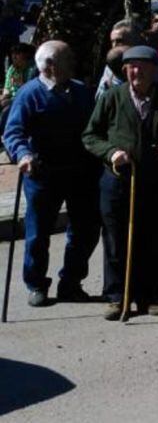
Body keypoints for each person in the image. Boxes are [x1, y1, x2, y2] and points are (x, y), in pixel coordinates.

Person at [82, 46, 158, 320]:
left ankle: (151, 297)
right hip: (118, 182)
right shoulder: (112, 98)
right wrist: (111, 152)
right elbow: (90, 135)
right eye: (131, 67)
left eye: (141, 66)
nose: (135, 72)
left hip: (155, 182)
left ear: (154, 70)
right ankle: (118, 297)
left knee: (153, 240)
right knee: (116, 240)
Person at [3, 41, 100, 306]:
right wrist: (22, 155)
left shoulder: (81, 92)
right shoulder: (29, 93)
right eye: (67, 58)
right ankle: (36, 284)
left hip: (80, 172)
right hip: (43, 174)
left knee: (85, 230)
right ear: (49, 66)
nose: (73, 62)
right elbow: (13, 132)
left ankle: (71, 281)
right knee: (38, 233)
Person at [96, 20, 158, 98]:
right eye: (112, 42)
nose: (114, 46)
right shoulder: (110, 69)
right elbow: (100, 99)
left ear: (136, 41)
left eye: (120, 41)